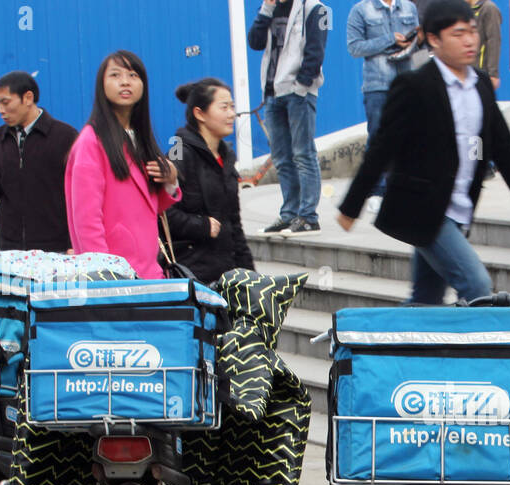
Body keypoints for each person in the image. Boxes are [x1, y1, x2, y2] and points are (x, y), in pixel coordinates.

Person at [337, 0, 510, 306]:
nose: (469, 41)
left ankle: (388, 346)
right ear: (434, 40)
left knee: (425, 299)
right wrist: (351, 206)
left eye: (472, 32)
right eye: (458, 34)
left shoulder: (480, 84)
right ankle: (470, 351)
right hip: (423, 209)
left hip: (458, 208)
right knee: (477, 286)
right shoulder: (414, 85)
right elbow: (382, 147)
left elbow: (504, 149)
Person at [65, 51, 181, 279]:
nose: (125, 81)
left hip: (148, 271)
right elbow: (87, 220)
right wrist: (102, 274)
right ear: (102, 85)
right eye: (115, 75)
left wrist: (171, 180)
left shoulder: (139, 137)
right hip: (115, 275)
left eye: (133, 75)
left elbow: (149, 207)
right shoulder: (91, 141)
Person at [0, 71, 79, 254]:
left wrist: (74, 242)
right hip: (11, 248)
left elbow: (79, 192)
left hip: (58, 248)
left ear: (28, 98)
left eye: (6, 102)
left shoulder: (65, 137)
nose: (0, 110)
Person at [248, 0, 329, 237]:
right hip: (272, 93)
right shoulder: (271, 9)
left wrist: (301, 86)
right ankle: (289, 214)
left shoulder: (317, 9)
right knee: (282, 157)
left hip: (298, 93)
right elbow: (254, 42)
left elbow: (316, 52)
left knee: (303, 153)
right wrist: (265, 10)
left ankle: (308, 217)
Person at [165, 79, 256, 285]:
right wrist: (201, 225)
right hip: (192, 276)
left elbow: (234, 222)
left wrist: (250, 275)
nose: (231, 114)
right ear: (200, 114)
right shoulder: (178, 153)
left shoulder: (226, 157)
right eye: (224, 107)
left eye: (232, 107)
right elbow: (163, 214)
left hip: (226, 272)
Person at [347, 0, 419, 197]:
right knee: (378, 138)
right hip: (377, 84)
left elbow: (418, 44)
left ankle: (403, 186)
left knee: (409, 137)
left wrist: (413, 42)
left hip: (406, 83)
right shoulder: (360, 10)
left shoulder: (408, 7)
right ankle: (376, 189)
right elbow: (355, 48)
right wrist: (389, 40)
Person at [471, 0, 502, 89]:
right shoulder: (464, 10)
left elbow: (494, 41)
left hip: (482, 74)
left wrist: (493, 74)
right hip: (467, 73)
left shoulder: (489, 9)